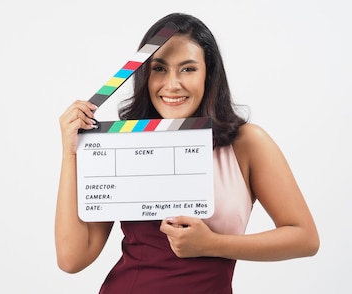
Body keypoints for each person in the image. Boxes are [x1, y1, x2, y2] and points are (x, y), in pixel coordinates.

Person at [55, 12, 319, 293]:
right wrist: (70, 155)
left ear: (209, 74)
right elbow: (72, 258)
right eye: (159, 69)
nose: (172, 84)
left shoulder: (246, 143)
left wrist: (211, 244)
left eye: (188, 69)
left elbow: (304, 238)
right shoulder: (123, 143)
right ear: (145, 75)